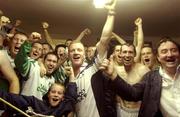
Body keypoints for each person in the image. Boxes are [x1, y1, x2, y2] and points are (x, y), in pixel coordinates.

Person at [101, 37, 180, 117]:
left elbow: (139, 43)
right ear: (158, 57)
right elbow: (133, 93)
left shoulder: (143, 70)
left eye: (174, 50)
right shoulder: (152, 78)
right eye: (164, 51)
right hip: (122, 110)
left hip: (137, 110)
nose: (170, 54)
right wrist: (113, 75)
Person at [67, 0, 117, 116]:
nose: (75, 52)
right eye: (72, 50)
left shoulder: (93, 69)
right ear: (68, 55)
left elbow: (104, 41)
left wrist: (111, 14)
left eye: (79, 50)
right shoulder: (67, 78)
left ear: (84, 55)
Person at [0, 79, 77, 117]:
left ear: (63, 98)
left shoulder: (63, 108)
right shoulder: (35, 102)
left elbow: (71, 97)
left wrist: (72, 76)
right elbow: (13, 99)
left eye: (59, 93)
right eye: (53, 92)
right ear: (48, 94)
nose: (56, 95)